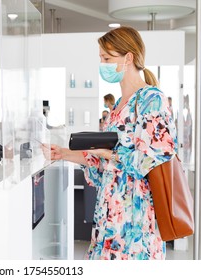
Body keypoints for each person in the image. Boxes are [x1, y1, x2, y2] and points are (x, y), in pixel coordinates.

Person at [48, 26, 177, 260]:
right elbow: (100, 159)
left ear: (128, 58)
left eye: (107, 58)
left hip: (135, 222)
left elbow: (154, 156)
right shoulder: (118, 106)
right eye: (100, 58)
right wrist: (64, 153)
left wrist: (112, 155)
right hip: (108, 218)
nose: (102, 64)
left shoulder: (151, 100)